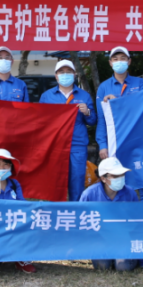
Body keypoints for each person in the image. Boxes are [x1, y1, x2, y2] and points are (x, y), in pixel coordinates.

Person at [39, 59, 96, 201]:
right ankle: (56, 210)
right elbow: (40, 122)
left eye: (69, 72)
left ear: (74, 74)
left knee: (77, 181)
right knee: (55, 182)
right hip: (55, 145)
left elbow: (92, 121)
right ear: (56, 76)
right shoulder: (47, 96)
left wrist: (87, 112)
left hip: (77, 145)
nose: (65, 75)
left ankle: (76, 210)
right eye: (61, 72)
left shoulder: (83, 96)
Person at [79, 157, 141, 272]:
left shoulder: (130, 193)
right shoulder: (89, 194)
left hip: (124, 239)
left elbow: (137, 220)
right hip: (100, 240)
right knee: (102, 266)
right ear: (103, 178)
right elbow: (80, 221)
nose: (120, 178)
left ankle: (127, 257)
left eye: (122, 175)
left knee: (123, 267)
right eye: (115, 176)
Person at [95, 46, 143, 161]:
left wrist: (117, 103)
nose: (119, 61)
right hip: (114, 140)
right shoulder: (103, 87)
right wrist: (103, 145)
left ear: (129, 61)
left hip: (136, 139)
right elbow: (102, 119)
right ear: (110, 63)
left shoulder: (140, 83)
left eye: (123, 58)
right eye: (115, 59)